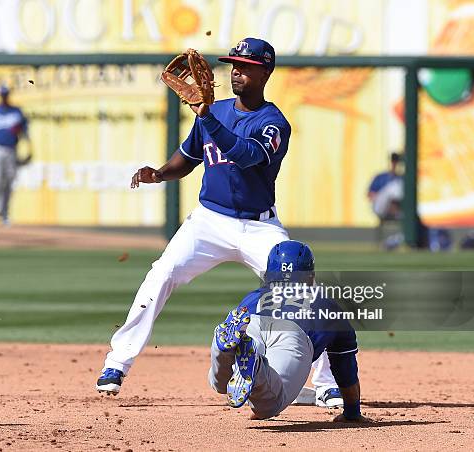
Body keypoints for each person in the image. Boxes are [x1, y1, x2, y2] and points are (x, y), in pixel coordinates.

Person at [96, 37, 341, 407]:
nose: (236, 72)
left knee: (300, 293)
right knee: (161, 274)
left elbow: (244, 156)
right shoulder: (216, 111)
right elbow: (188, 156)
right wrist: (160, 174)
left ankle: (324, 384)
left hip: (260, 227)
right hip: (209, 222)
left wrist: (206, 116)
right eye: (233, 66)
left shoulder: (273, 123)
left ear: (266, 72)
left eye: (246, 66)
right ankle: (117, 363)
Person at [209, 240, 369, 422]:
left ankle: (220, 349)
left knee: (222, 384)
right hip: (292, 334)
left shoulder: (252, 297)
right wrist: (352, 412)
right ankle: (258, 368)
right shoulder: (327, 304)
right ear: (311, 276)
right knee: (270, 404)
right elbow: (344, 367)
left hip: (252, 322)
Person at [0, 85, 30, 226]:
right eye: (1, 95)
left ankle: (5, 214)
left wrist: (29, 149)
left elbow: (25, 132)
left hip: (11, 149)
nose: (3, 97)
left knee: (9, 182)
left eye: (5, 95)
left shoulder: (17, 112)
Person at [368, 152, 403, 220]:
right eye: (393, 161)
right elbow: (370, 195)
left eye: (397, 162)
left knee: (398, 185)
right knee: (394, 187)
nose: (395, 164)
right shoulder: (381, 177)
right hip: (381, 207)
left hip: (399, 209)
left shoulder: (402, 177)